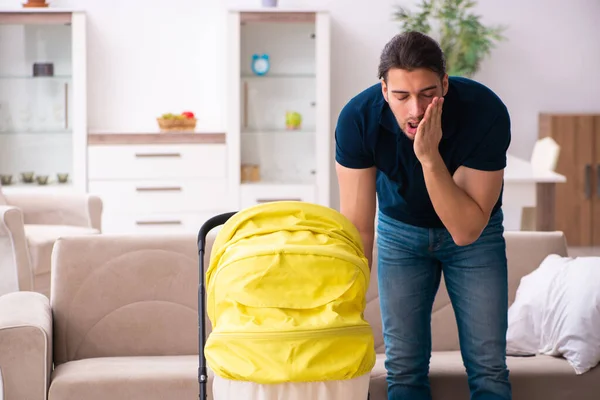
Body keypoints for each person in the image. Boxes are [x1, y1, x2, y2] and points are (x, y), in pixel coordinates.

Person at [334, 31, 512, 400]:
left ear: (445, 84)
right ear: (384, 90)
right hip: (399, 234)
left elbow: (466, 229)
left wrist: (428, 157)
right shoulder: (357, 119)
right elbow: (358, 228)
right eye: (401, 96)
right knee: (403, 369)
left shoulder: (485, 112)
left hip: (474, 236)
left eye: (428, 94)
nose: (415, 110)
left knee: (488, 368)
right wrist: (345, 306)